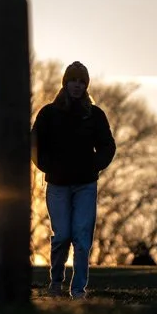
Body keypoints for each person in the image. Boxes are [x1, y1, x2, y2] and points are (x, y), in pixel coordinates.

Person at [31, 61, 116, 299]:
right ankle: (56, 282)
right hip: (57, 184)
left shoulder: (94, 115)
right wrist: (45, 165)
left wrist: (95, 165)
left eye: (81, 82)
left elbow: (108, 145)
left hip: (85, 185)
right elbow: (34, 143)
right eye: (73, 81)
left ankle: (78, 289)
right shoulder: (49, 113)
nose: (77, 86)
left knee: (81, 237)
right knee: (62, 236)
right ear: (65, 83)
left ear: (86, 86)